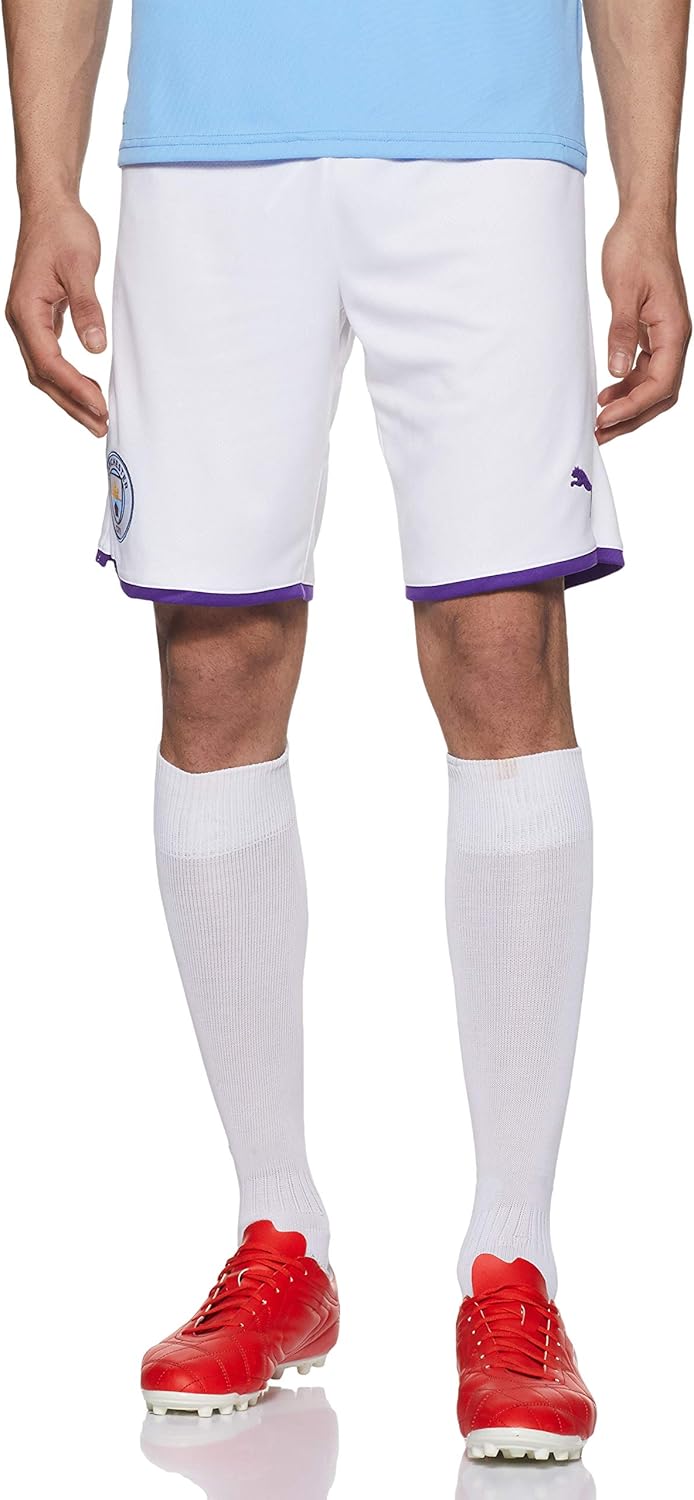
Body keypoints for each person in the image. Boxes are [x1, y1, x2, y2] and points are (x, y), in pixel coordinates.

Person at [4, 0, 690, 1464]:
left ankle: (513, 1262)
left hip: (489, 137)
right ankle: (279, 1232)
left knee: (501, 648)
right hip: (207, 147)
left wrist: (649, 198)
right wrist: (44, 181)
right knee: (216, 665)